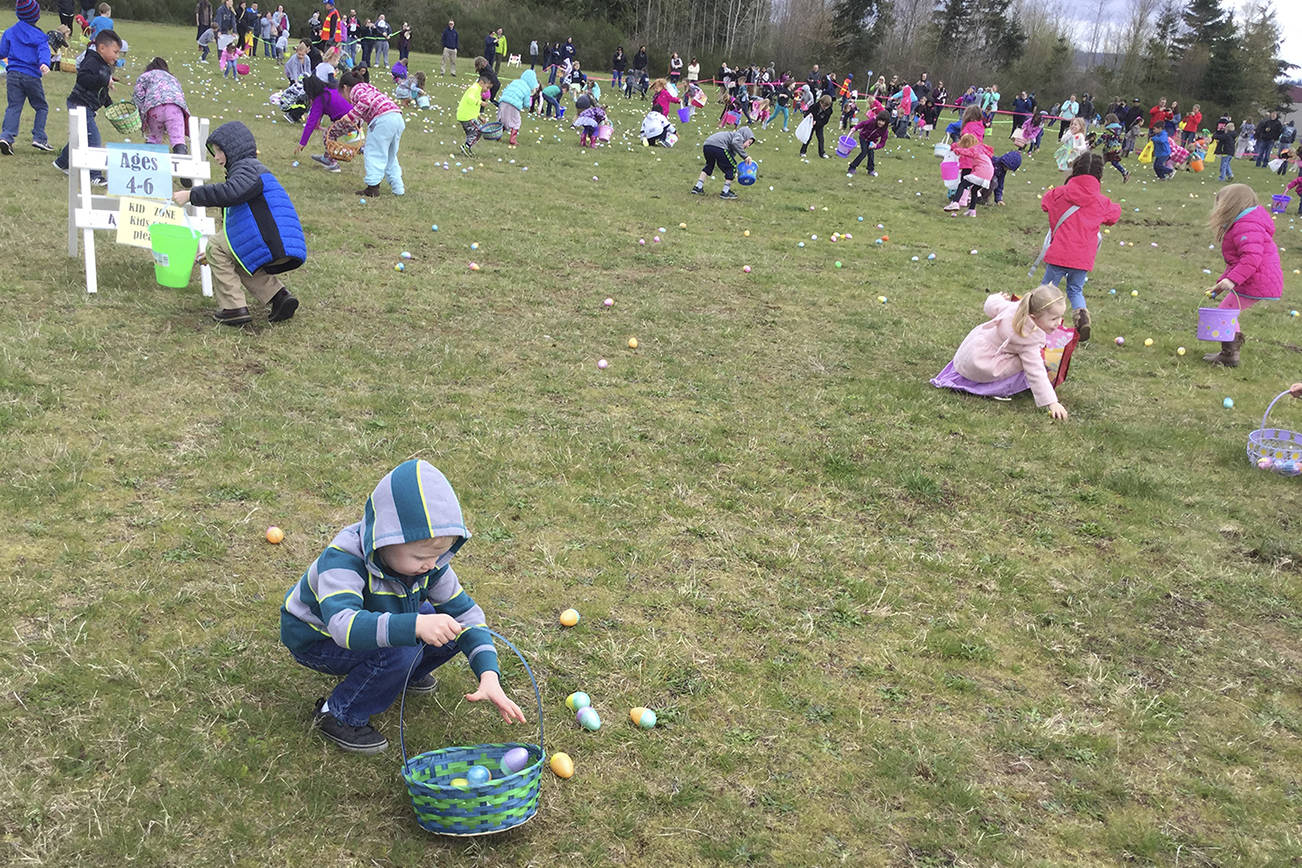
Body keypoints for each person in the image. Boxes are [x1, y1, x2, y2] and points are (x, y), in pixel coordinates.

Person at [280, 460, 526, 753]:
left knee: (449, 627)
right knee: (402, 649)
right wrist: (416, 626)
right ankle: (338, 714)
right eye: (420, 556)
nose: (431, 564)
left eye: (439, 554)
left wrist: (488, 675)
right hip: (318, 639)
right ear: (384, 540)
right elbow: (344, 627)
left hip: (380, 618)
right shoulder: (343, 559)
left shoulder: (429, 565)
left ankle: (401, 675)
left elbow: (466, 615)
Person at [171, 121, 303, 325]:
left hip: (271, 238)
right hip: (276, 238)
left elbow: (230, 193)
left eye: (219, 151)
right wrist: (224, 251)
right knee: (237, 256)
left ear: (233, 149)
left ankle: (233, 308)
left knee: (215, 246)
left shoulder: (247, 169)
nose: (216, 157)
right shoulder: (252, 169)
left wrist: (191, 195)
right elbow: (239, 218)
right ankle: (279, 297)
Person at [930, 285, 1071, 420]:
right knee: (1032, 362)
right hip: (982, 365)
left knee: (1028, 359)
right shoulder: (1029, 341)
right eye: (1054, 319)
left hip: (970, 352)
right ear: (1034, 318)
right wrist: (1052, 402)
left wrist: (998, 297)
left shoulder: (1013, 308)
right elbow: (1036, 372)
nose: (1059, 322)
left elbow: (990, 304)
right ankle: (995, 388)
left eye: (1060, 317)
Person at [1036, 153, 1120, 341]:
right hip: (1082, 257)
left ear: (1075, 169)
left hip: (1059, 253)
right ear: (1099, 175)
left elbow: (1045, 203)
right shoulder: (1101, 202)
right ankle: (1081, 316)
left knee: (1047, 289)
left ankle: (1035, 322)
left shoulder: (1058, 194)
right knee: (1075, 289)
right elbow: (1114, 215)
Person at [1202, 184, 1284, 366]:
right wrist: (1221, 283)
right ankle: (1229, 353)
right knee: (1226, 312)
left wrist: (1232, 280)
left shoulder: (1246, 225)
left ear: (1231, 204)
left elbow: (1251, 258)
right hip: (1253, 278)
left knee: (1226, 312)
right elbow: (1237, 261)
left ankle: (1230, 355)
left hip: (1258, 281)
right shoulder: (1246, 222)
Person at [52, 28, 119, 184]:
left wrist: (110, 105)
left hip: (86, 106)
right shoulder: (92, 61)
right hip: (80, 105)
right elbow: (83, 78)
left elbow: (101, 91)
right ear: (102, 48)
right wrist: (104, 80)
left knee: (79, 137)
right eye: (115, 52)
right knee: (93, 139)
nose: (117, 56)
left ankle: (62, 163)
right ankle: (94, 175)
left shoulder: (104, 65)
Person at [336, 69, 403, 198]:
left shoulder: (356, 90)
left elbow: (365, 102)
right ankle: (398, 188)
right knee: (390, 155)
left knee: (373, 152)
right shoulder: (368, 88)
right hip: (396, 117)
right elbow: (366, 108)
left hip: (383, 119)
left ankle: (373, 187)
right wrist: (357, 122)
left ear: (345, 88)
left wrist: (350, 116)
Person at [0, 0, 53, 156]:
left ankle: (6, 137)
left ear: (18, 14)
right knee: (41, 107)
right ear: (36, 15)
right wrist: (44, 63)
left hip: (13, 75)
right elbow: (44, 51)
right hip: (31, 76)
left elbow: (2, 52)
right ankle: (39, 137)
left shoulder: (10, 32)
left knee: (14, 106)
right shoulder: (40, 36)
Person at [133, 57, 190, 180]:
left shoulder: (145, 76)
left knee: (153, 138)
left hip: (154, 107)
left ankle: (148, 169)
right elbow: (180, 94)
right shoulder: (172, 78)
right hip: (175, 107)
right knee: (178, 139)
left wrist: (142, 114)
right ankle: (184, 169)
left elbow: (138, 96)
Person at [296, 73, 349, 171]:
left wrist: (302, 143)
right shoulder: (332, 90)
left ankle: (332, 163)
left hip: (347, 121)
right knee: (332, 133)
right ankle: (326, 157)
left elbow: (311, 122)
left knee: (328, 134)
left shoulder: (320, 99)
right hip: (355, 116)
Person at [691, 125, 753, 200]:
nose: (748, 146)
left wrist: (731, 172)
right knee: (732, 166)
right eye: (749, 142)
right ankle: (725, 191)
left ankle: (698, 187)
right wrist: (745, 156)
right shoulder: (739, 137)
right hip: (719, 146)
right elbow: (735, 144)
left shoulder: (731, 137)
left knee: (709, 165)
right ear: (745, 136)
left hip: (707, 145)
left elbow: (726, 159)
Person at [948, 133, 994, 216]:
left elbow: (966, 152)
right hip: (989, 174)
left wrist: (956, 150)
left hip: (981, 173)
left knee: (962, 184)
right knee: (974, 190)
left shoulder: (974, 149)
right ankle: (972, 210)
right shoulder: (982, 149)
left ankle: (955, 202)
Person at [497, 67, 537, 147]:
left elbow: (506, 89)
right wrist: (527, 106)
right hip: (513, 105)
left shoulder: (515, 81)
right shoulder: (527, 89)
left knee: (503, 119)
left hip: (503, 101)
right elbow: (526, 103)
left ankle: (498, 135)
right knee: (516, 121)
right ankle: (513, 139)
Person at [846, 109, 887, 176]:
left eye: (883, 121)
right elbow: (862, 123)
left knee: (871, 154)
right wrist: (855, 128)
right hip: (863, 137)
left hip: (872, 142)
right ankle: (852, 167)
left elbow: (882, 143)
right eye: (879, 120)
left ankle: (870, 170)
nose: (880, 123)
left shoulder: (885, 131)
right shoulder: (872, 121)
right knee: (864, 152)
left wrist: (876, 146)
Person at [456, 75, 490, 156]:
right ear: (481, 83)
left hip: (466, 115)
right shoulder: (474, 89)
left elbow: (473, 106)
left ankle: (466, 148)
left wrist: (479, 117)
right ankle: (466, 147)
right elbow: (469, 99)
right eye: (487, 87)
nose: (487, 90)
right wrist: (480, 102)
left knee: (472, 133)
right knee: (478, 131)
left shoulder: (477, 90)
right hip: (467, 116)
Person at [800, 94, 833, 159]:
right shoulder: (814, 106)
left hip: (819, 126)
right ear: (820, 102)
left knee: (821, 139)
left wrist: (817, 122)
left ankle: (822, 153)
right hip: (810, 125)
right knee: (808, 138)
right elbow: (806, 113)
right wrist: (810, 117)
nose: (825, 108)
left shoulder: (829, 111)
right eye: (824, 106)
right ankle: (803, 152)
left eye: (826, 106)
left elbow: (825, 121)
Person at [1098, 116, 1128, 182]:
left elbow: (1102, 138)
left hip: (1110, 149)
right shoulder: (1119, 129)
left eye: (1106, 120)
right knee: (1109, 162)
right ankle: (1124, 172)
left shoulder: (1109, 130)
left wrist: (1093, 145)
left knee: (1104, 162)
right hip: (1116, 148)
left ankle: (1125, 172)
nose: (1105, 122)